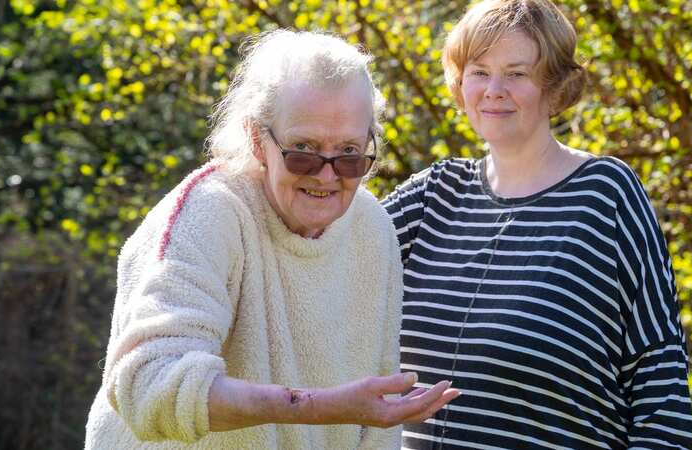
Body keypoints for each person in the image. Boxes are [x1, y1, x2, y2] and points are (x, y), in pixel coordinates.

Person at [84, 30, 459, 450]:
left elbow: (377, 424)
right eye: (303, 149)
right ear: (256, 139)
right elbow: (149, 383)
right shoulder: (210, 212)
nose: (327, 175)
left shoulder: (372, 226)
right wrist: (316, 406)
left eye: (350, 153)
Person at [382, 1, 692, 448]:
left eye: (516, 73)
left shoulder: (606, 196)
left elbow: (659, 379)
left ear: (555, 87)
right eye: (479, 71)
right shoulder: (435, 194)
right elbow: (322, 241)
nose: (493, 89)